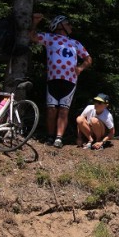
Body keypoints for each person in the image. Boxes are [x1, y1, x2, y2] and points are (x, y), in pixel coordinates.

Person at [31, 14, 92, 148]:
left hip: (70, 80)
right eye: (68, 23)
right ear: (60, 25)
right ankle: (50, 136)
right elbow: (33, 37)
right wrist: (35, 22)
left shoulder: (75, 43)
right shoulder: (49, 38)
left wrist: (80, 68)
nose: (70, 26)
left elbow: (88, 59)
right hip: (53, 78)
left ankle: (59, 138)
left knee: (64, 110)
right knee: (52, 109)